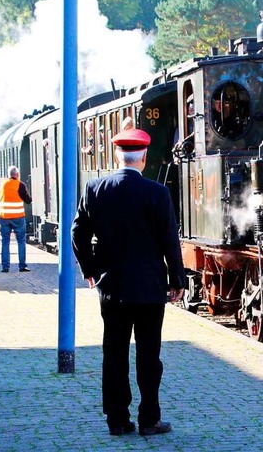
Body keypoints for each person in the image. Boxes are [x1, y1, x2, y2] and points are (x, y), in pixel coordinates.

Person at [71, 128, 185, 437]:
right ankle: (150, 419)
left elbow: (77, 233)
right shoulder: (157, 192)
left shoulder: (95, 189)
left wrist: (90, 269)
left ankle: (117, 420)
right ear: (144, 157)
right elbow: (169, 240)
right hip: (149, 287)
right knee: (149, 355)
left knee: (114, 352)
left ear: (116, 156)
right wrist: (178, 279)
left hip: (112, 287)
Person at [0, 166, 32, 272]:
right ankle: (22, 266)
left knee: (5, 242)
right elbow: (28, 200)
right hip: (18, 218)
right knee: (21, 241)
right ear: (17, 174)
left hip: (4, 218)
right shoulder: (20, 185)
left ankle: (5, 267)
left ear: (8, 175)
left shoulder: (2, 184)